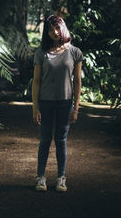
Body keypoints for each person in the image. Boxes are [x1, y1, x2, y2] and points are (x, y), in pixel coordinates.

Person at [32, 15, 83, 192]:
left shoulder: (74, 52)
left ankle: (61, 178)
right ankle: (40, 178)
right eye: (50, 29)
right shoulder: (41, 53)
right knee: (45, 140)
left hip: (65, 103)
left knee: (61, 141)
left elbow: (77, 82)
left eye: (57, 28)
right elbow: (36, 81)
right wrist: (35, 107)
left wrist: (76, 108)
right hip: (45, 103)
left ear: (63, 28)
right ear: (46, 32)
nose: (54, 32)